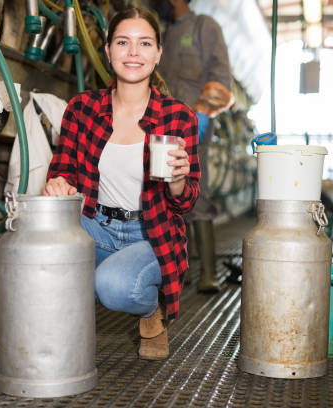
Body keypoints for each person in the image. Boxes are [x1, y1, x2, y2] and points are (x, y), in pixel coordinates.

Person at [43, 7, 200, 360]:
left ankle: (150, 314)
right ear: (108, 51)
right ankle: (56, 331)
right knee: (41, 236)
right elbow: (62, 171)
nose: (133, 52)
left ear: (158, 53)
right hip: (97, 224)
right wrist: (58, 185)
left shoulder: (178, 116)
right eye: (123, 42)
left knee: (113, 287)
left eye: (144, 43)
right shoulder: (82, 108)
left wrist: (177, 182)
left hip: (151, 233)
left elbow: (187, 202)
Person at [154, 0, 233, 293]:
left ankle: (209, 273)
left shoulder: (204, 27)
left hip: (192, 125)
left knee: (197, 192)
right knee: (165, 195)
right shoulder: (163, 34)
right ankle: (179, 270)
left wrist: (201, 113)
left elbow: (221, 77)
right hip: (161, 126)